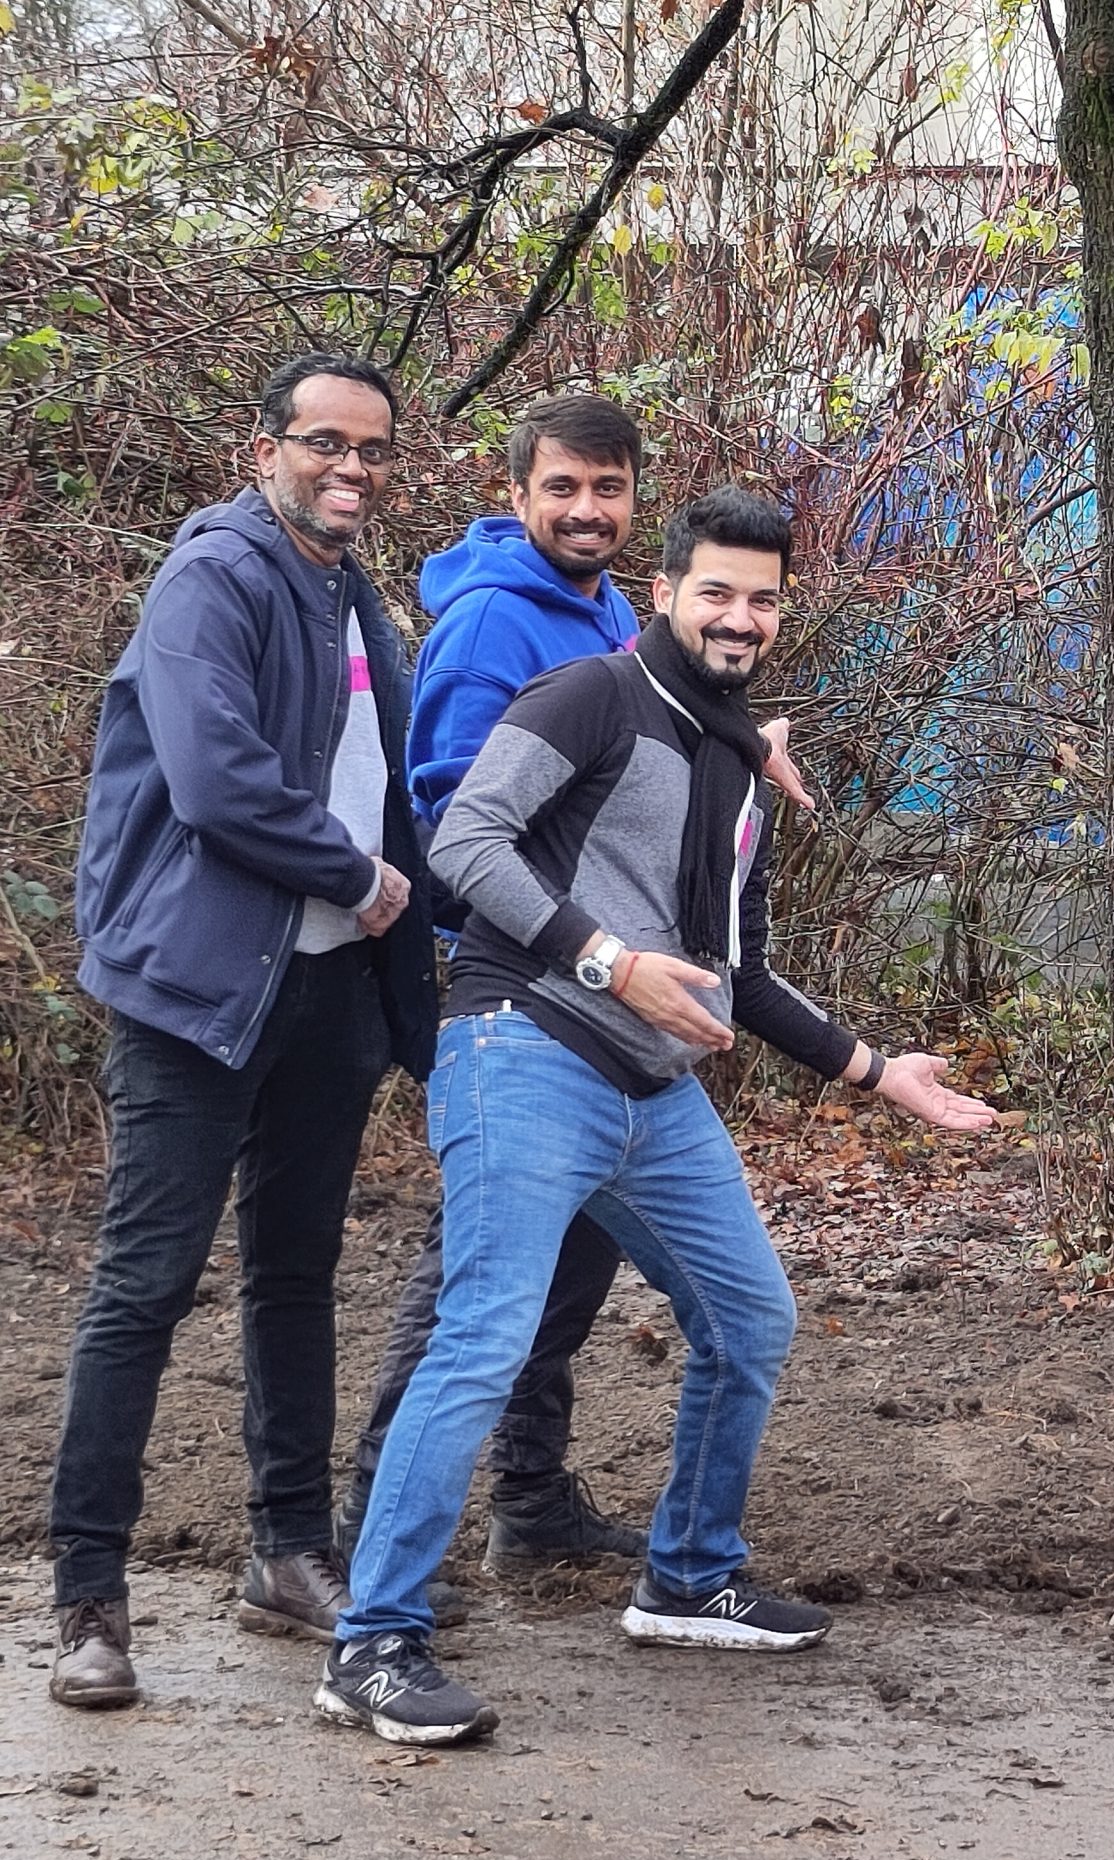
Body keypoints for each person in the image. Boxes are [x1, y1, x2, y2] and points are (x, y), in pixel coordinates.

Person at [318, 487, 997, 1746]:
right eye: (715, 592)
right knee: (486, 1336)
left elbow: (739, 971)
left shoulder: (736, 763)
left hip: (652, 1090)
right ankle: (374, 1643)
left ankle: (687, 1575)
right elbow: (462, 842)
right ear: (667, 592)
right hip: (524, 1047)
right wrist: (607, 960)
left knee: (751, 1318)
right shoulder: (586, 696)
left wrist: (874, 1070)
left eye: (762, 600)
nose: (738, 617)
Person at [49, 353, 436, 1707]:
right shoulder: (212, 577)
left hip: (328, 994)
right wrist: (356, 877)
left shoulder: (352, 594)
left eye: (372, 450)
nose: (351, 468)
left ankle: (287, 1552)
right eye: (325, 442)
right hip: (197, 994)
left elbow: (388, 784)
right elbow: (218, 783)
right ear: (262, 448)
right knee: (143, 1287)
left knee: (294, 1276)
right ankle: (89, 1600)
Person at [336, 392, 654, 1577]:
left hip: (607, 983)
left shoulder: (610, 609)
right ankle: (367, 1530)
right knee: (477, 1266)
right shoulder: (488, 625)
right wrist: (558, 940)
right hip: (524, 982)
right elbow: (451, 814)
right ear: (517, 495)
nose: (586, 509)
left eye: (607, 487)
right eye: (561, 487)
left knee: (579, 1247)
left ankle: (529, 1499)